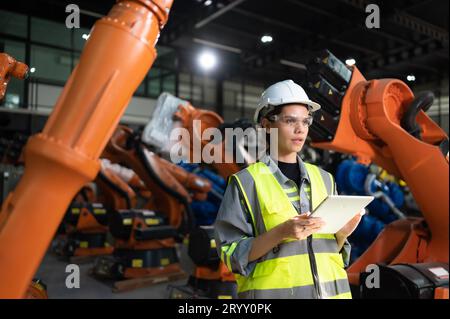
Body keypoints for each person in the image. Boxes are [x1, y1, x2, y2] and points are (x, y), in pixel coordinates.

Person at [214, 79, 363, 299]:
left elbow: (333, 253)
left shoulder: (324, 179)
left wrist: (341, 235)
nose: (300, 129)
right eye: (290, 121)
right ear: (266, 125)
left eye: (305, 121)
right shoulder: (246, 183)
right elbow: (231, 254)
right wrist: (281, 232)